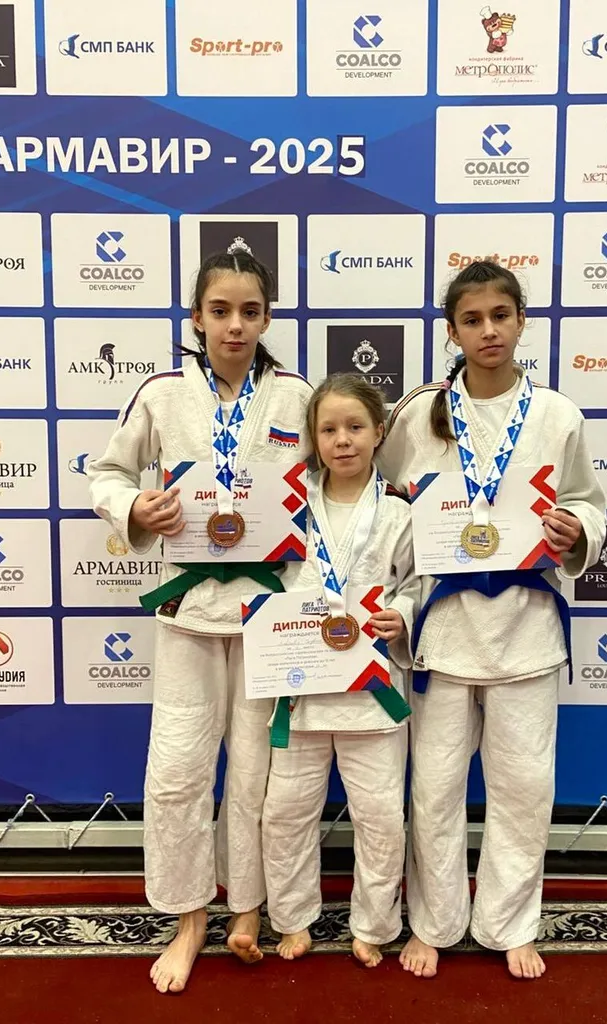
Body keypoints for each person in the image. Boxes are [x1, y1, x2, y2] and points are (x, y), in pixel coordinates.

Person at [88, 248, 313, 993]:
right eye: (220, 311)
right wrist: (135, 507)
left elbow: (327, 489)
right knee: (180, 770)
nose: (235, 325)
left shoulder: (295, 397)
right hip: (188, 609)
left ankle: (244, 908)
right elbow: (109, 474)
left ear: (267, 318)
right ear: (196, 318)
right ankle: (189, 919)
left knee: (253, 772)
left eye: (250, 311)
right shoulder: (161, 395)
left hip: (268, 612)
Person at [377, 260, 606, 981]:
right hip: (443, 628)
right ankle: (434, 922)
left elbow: (587, 500)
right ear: (452, 331)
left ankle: (510, 922)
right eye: (472, 320)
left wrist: (577, 530)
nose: (488, 331)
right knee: (435, 788)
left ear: (521, 321)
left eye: (500, 316)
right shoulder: (420, 413)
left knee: (523, 789)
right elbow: (380, 496)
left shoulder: (556, 415)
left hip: (527, 625)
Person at [261, 374, 419, 969]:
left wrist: (403, 615)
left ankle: (373, 924)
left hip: (371, 691)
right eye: (328, 429)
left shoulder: (399, 512)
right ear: (313, 437)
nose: (342, 440)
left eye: (355, 427)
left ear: (379, 432)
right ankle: (293, 917)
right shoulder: (286, 504)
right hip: (300, 686)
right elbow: (266, 578)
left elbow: (416, 585)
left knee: (380, 817)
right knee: (286, 813)